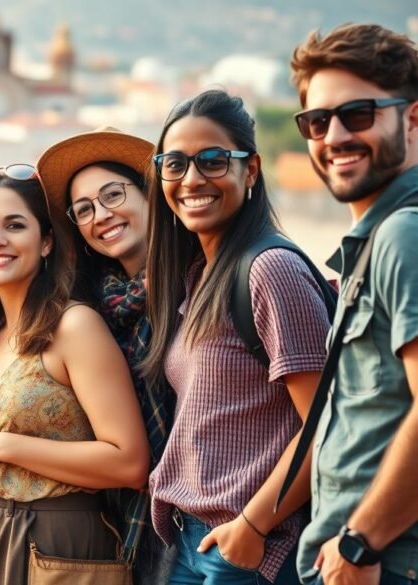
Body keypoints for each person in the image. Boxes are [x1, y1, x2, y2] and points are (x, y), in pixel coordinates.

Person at [141, 89, 330, 585]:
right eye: (175, 164)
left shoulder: (271, 270)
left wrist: (252, 525)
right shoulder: (197, 275)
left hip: (249, 547)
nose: (191, 179)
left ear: (251, 170)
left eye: (212, 160)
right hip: (190, 539)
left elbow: (324, 425)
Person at [0, 164, 149, 585]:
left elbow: (130, 462)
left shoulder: (74, 326)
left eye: (15, 225)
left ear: (46, 241)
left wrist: (4, 445)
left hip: (58, 547)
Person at [289, 24, 418, 585]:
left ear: (412, 119)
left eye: (358, 114)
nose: (334, 136)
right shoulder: (378, 241)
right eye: (317, 122)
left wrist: (361, 543)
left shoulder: (403, 237)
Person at [37, 127, 174, 584]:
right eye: (84, 209)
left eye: (113, 194)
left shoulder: (197, 284)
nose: (101, 215)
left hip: (207, 516)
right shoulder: (95, 307)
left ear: (150, 194)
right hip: (126, 523)